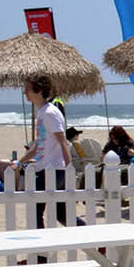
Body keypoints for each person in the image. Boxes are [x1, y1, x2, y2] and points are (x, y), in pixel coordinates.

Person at [16, 74, 81, 232]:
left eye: (27, 89)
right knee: (62, 214)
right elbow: (39, 145)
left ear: (38, 91)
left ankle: (41, 256)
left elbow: (63, 142)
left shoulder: (50, 113)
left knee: (35, 212)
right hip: (48, 169)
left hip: (53, 170)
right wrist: (19, 163)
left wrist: (69, 170)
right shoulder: (43, 112)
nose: (24, 92)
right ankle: (97, 241)